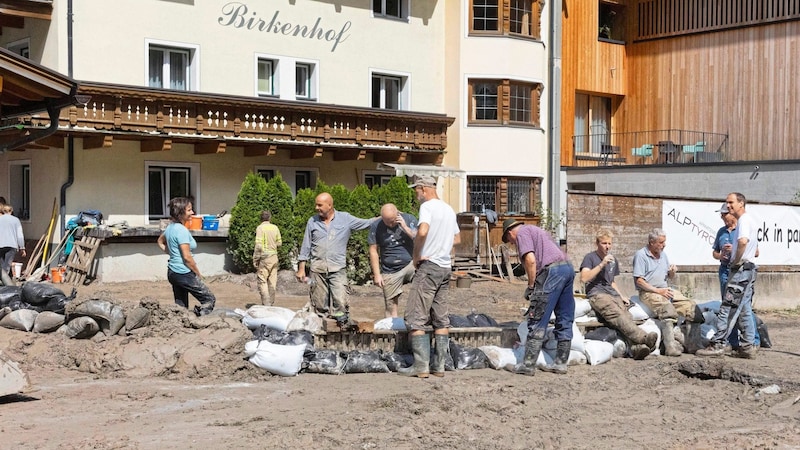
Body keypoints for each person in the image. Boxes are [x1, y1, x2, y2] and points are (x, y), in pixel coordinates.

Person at [398, 175, 460, 378]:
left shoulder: (427, 207)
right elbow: (457, 238)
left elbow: (422, 231)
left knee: (416, 314)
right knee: (441, 317)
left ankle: (421, 366)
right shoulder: (448, 209)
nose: (415, 194)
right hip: (445, 267)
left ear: (424, 188)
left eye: (416, 190)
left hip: (429, 265)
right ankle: (439, 366)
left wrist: (417, 255)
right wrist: (442, 247)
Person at [504, 219, 576, 376]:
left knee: (538, 315)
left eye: (509, 240)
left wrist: (531, 286)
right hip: (568, 268)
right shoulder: (537, 230)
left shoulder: (522, 233)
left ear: (510, 233)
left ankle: (528, 365)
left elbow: (530, 260)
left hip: (552, 272)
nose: (511, 243)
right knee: (564, 316)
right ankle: (560, 363)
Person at [296, 192, 376, 322]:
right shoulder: (312, 221)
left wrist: (385, 216)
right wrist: (301, 268)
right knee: (319, 302)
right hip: (317, 270)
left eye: (319, 205)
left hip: (337, 268)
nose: (316, 208)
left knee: (340, 301)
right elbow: (306, 245)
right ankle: (320, 330)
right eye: (316, 205)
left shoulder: (345, 218)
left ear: (330, 205)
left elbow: (366, 223)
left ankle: (340, 329)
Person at [698, 192, 759, 358]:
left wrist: (735, 261)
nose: (728, 206)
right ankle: (747, 347)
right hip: (749, 269)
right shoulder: (748, 221)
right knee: (744, 309)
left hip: (741, 269)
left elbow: (743, 242)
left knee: (728, 307)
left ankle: (718, 344)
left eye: (731, 202)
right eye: (727, 203)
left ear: (741, 203)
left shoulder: (744, 220)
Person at [580, 229, 657, 360]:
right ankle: (644, 338)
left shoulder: (613, 259)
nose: (607, 246)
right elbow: (584, 278)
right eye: (604, 243)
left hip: (612, 294)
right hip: (597, 294)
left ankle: (635, 349)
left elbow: (612, 281)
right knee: (617, 315)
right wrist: (601, 264)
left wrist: (621, 295)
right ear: (597, 243)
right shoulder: (590, 258)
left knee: (627, 315)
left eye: (609, 243)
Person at [632, 228, 702, 357]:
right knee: (667, 310)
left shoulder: (663, 254)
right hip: (649, 291)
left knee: (692, 307)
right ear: (652, 242)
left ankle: (694, 345)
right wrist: (658, 291)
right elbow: (639, 281)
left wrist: (672, 272)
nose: (664, 245)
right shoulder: (641, 255)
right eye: (661, 242)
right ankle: (670, 347)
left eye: (664, 242)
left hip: (665, 290)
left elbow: (668, 276)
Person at [157, 197, 216, 316]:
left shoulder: (170, 227)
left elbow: (160, 241)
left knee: (181, 306)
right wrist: (198, 273)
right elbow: (187, 257)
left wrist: (173, 254)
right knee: (209, 299)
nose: (192, 213)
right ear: (180, 213)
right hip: (183, 273)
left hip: (173, 272)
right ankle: (200, 322)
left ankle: (180, 326)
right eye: (189, 210)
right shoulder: (181, 230)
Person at [368, 203, 418, 318]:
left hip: (411, 263)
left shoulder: (409, 219)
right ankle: (392, 327)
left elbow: (419, 239)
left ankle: (417, 320)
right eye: (387, 222)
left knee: (424, 286)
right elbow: (373, 250)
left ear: (398, 214)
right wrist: (377, 274)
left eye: (393, 220)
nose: (391, 224)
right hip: (390, 268)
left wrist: (405, 227)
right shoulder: (376, 226)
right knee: (390, 305)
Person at [253, 210, 282, 306]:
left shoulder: (260, 228)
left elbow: (258, 246)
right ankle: (271, 303)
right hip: (274, 257)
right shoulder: (275, 228)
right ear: (270, 218)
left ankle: (266, 304)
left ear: (261, 218)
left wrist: (255, 259)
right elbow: (279, 243)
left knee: (262, 281)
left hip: (265, 258)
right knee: (272, 282)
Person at [0, 202, 26, 286]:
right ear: (11, 211)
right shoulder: (16, 220)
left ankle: (6, 284)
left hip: (0, 245)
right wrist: (22, 247)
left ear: (2, 211)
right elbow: (20, 234)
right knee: (6, 266)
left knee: (2, 267)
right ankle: (6, 287)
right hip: (12, 246)